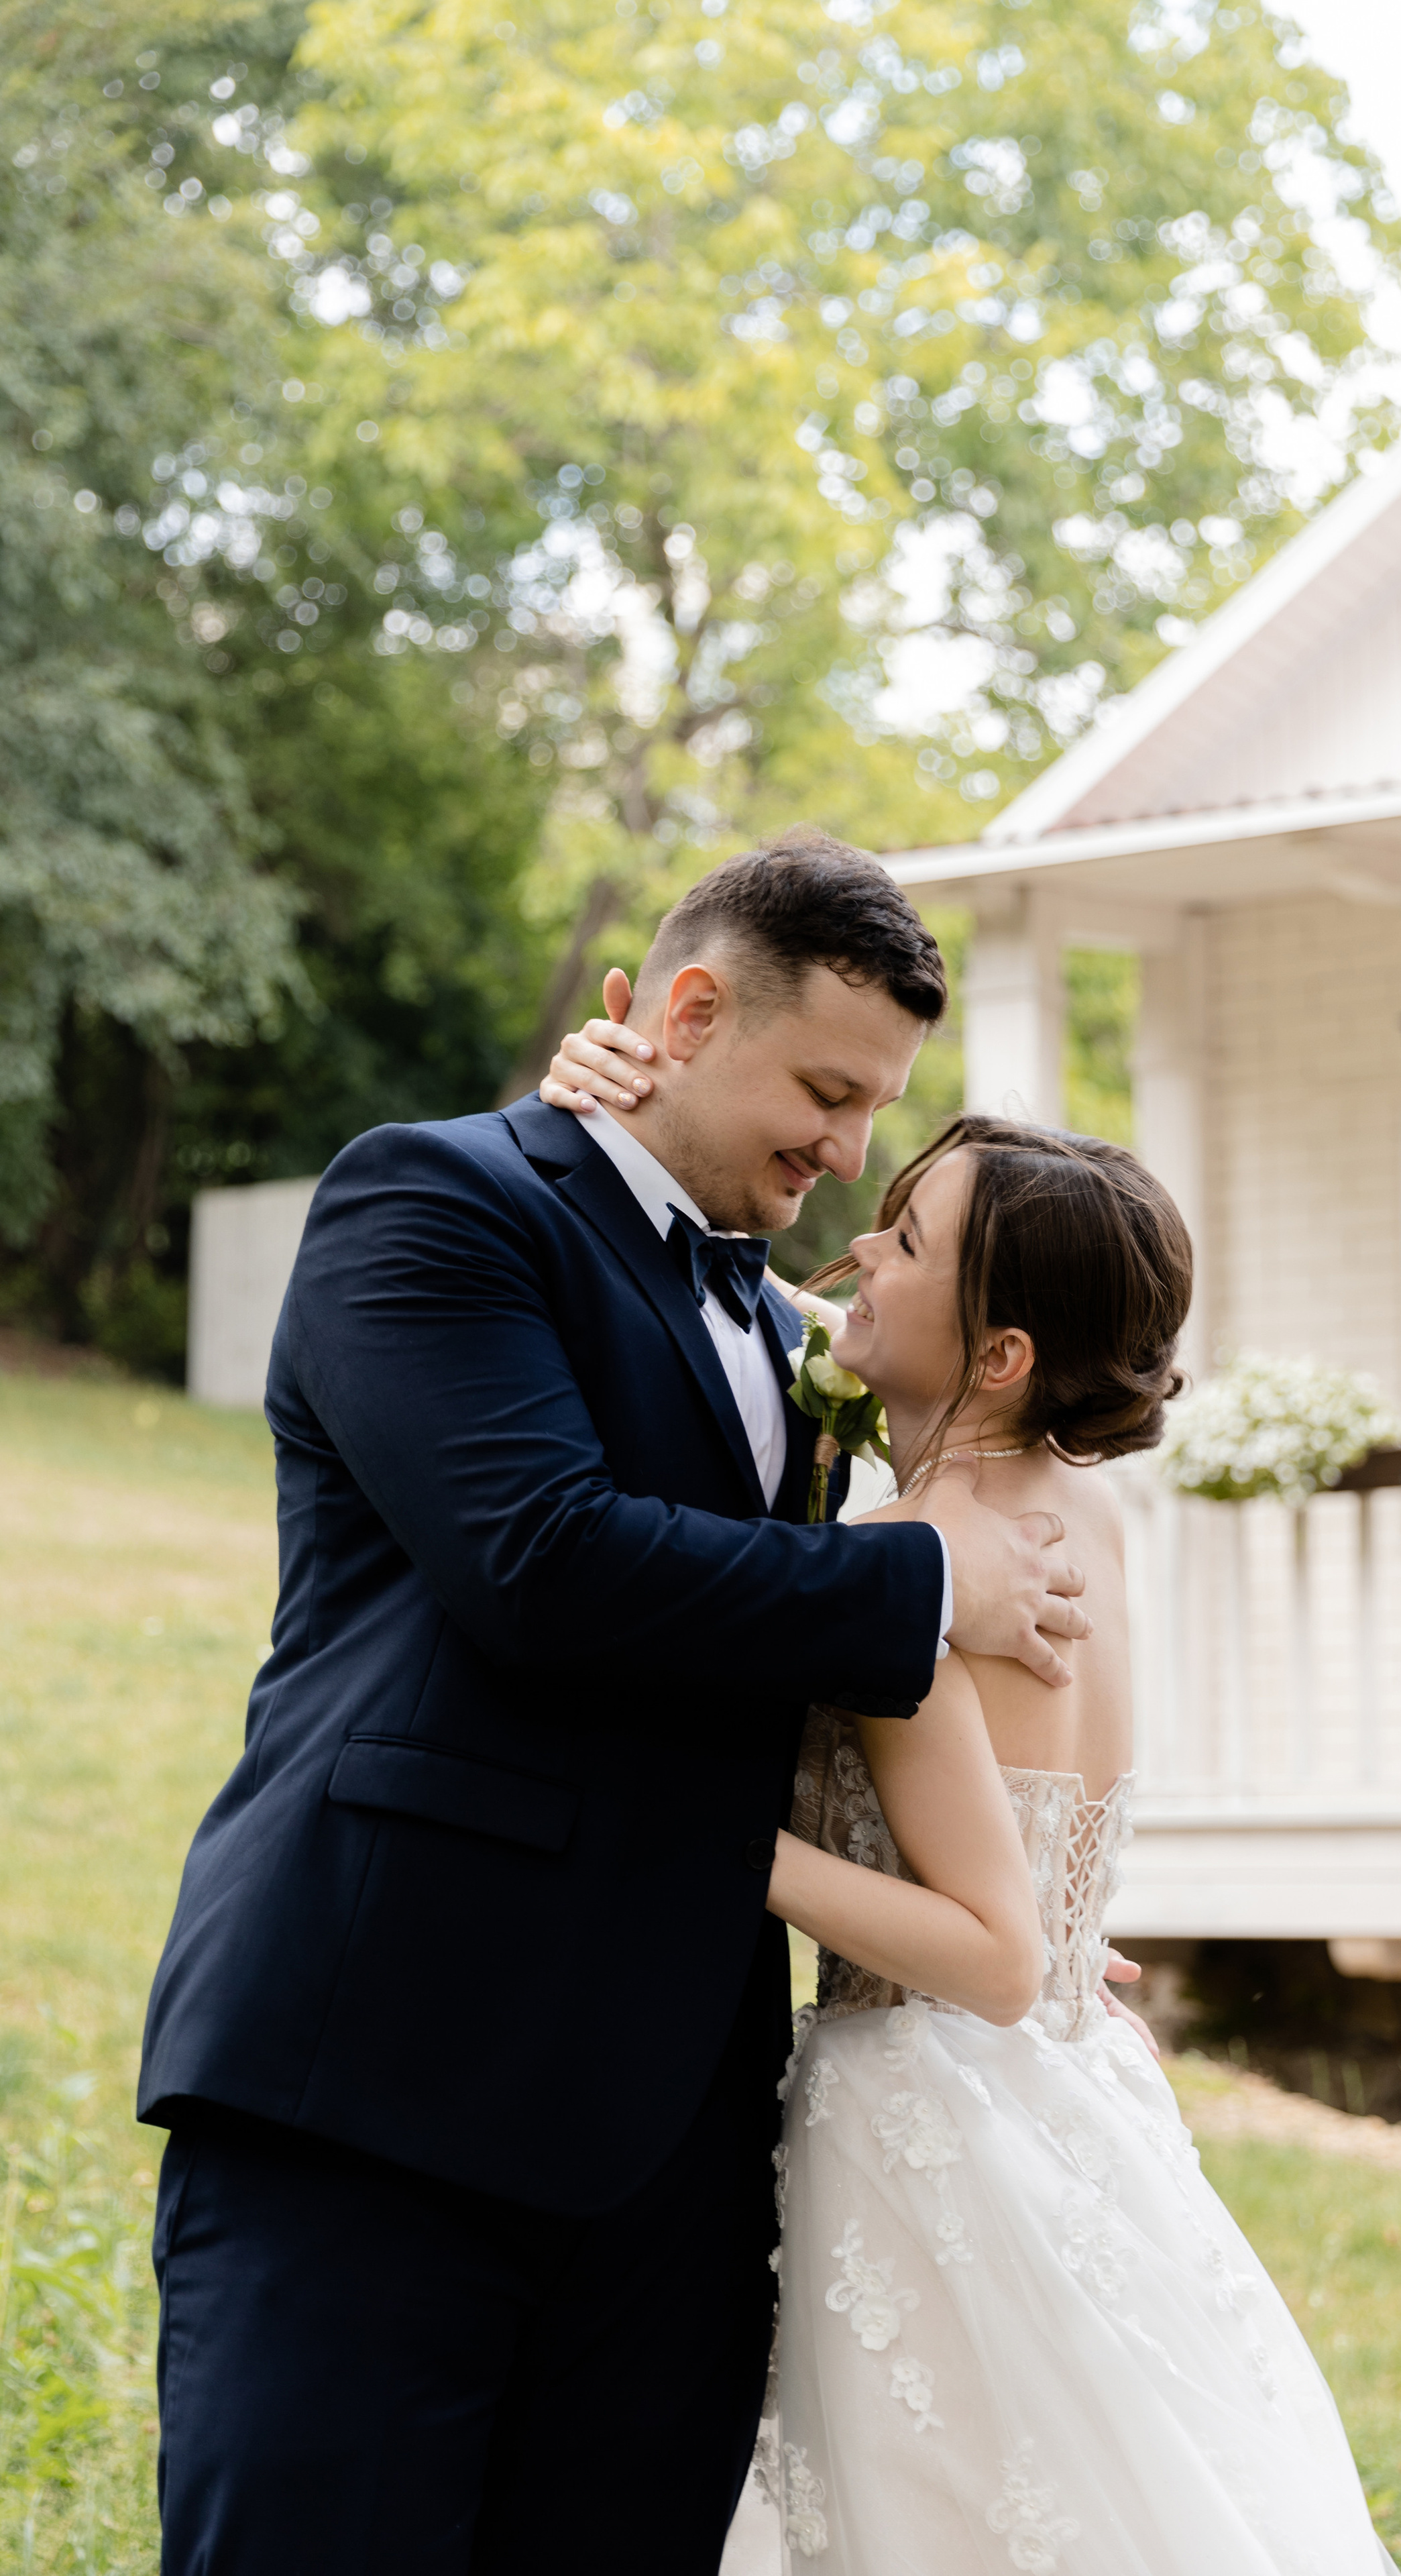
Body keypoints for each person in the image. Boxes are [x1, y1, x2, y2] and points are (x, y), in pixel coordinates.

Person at [138, 829, 1094, 2576]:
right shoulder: (434, 1206)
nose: (846, 1148)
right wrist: (928, 1582)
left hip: (680, 2145)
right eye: (821, 1088)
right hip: (381, 2089)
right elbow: (544, 1563)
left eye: (879, 1109)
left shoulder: (796, 1327)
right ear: (688, 1012)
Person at [549, 1042, 1395, 2571]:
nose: (859, 1240)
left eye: (908, 1239)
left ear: (999, 1354)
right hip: (1082, 2094)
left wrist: (734, 1849)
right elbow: (1039, 1892)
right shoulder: (1078, 1509)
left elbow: (993, 1954)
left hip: (930, 2107)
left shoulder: (919, 1569)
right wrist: (607, 1116)